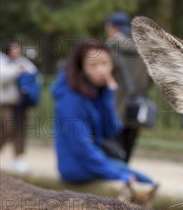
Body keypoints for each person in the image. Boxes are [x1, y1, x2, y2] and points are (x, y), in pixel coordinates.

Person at [52, 38, 154, 185]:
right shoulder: (70, 98)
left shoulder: (97, 91)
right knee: (144, 184)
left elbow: (111, 130)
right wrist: (115, 174)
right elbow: (81, 148)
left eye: (105, 63)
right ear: (81, 68)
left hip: (94, 162)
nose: (101, 70)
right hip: (77, 167)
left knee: (147, 182)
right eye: (93, 65)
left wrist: (108, 95)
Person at [105, 11, 152, 162]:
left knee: (111, 151)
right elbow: (150, 79)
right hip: (136, 107)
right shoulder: (144, 50)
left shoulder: (111, 47)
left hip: (114, 106)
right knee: (127, 150)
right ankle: (125, 180)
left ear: (112, 27)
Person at [0, 41, 38, 174]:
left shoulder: (23, 62)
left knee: (20, 130)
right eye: (14, 49)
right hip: (6, 103)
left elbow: (34, 73)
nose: (17, 52)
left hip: (21, 104)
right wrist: (17, 71)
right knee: (6, 128)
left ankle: (17, 158)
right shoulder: (2, 62)